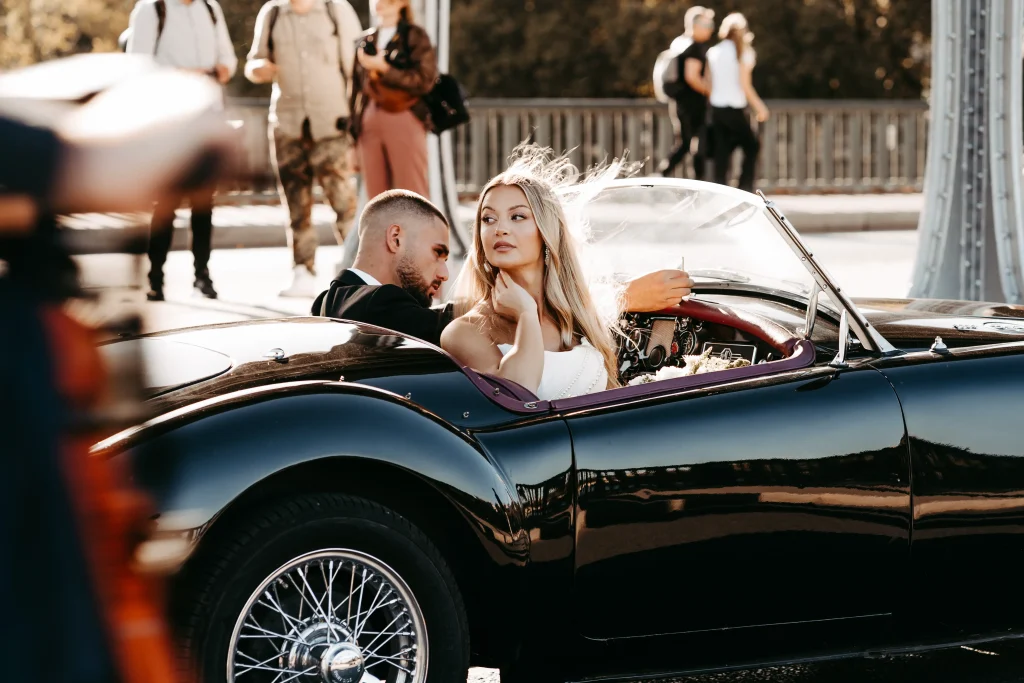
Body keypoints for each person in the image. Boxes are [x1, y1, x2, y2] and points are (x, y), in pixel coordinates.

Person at [440, 150, 696, 401]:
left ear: (546, 230)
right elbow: (518, 400)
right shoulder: (464, 333)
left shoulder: (579, 315)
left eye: (517, 216)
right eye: (488, 219)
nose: (500, 229)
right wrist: (527, 315)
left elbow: (611, 398)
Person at [312, 188, 694, 350]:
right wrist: (620, 298)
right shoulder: (372, 305)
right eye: (438, 252)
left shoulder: (330, 301)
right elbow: (467, 322)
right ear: (395, 239)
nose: (445, 273)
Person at [245, 0, 363, 297]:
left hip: (332, 125)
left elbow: (355, 71)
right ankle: (303, 272)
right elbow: (253, 64)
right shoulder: (272, 13)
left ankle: (358, 273)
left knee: (343, 203)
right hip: (287, 125)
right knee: (296, 206)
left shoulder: (337, 10)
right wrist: (259, 69)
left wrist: (356, 128)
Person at [127, 0, 237, 301]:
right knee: (165, 203)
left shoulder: (211, 8)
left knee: (204, 204)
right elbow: (137, 65)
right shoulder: (152, 9)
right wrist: (190, 74)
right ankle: (155, 278)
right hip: (168, 123)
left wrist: (220, 69)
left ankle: (202, 275)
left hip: (207, 120)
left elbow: (228, 60)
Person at [349, 0, 437, 201]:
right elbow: (354, 90)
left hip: (404, 115)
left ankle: (418, 233)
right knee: (376, 200)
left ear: (402, 3)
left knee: (412, 194)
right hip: (368, 120)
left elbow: (425, 81)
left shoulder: (415, 36)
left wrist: (385, 69)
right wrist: (352, 135)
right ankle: (383, 234)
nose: (380, 3)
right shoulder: (365, 39)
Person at [705, 12, 769, 192]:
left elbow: (708, 84)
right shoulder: (744, 53)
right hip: (734, 109)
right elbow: (745, 85)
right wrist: (760, 107)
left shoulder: (714, 51)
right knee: (752, 145)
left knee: (722, 152)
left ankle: (721, 190)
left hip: (717, 109)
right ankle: (744, 186)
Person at [656, 6, 715, 179]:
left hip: (680, 103)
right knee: (696, 143)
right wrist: (711, 91)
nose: (711, 28)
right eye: (708, 24)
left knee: (685, 143)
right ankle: (696, 183)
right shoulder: (695, 48)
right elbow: (692, 77)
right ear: (695, 24)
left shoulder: (680, 43)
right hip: (692, 104)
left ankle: (662, 175)